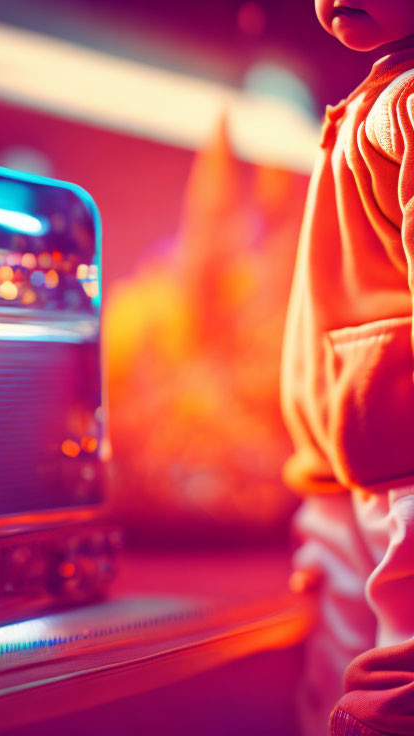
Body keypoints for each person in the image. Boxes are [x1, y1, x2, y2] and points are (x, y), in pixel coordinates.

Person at [281, 2, 414, 734]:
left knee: (392, 687)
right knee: (335, 676)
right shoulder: (379, 98)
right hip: (345, 472)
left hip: (399, 471)